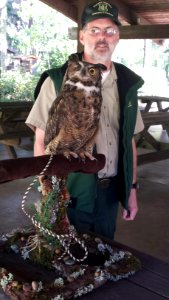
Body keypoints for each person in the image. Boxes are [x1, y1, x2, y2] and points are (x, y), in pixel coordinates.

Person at [26, 0, 144, 240]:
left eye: (109, 31)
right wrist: (50, 195)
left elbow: (128, 141)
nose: (102, 37)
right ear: (82, 36)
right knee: (65, 257)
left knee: (103, 253)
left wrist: (131, 189)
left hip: (110, 193)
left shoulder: (127, 83)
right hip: (72, 191)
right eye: (94, 30)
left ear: (117, 37)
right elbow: (41, 141)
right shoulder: (58, 80)